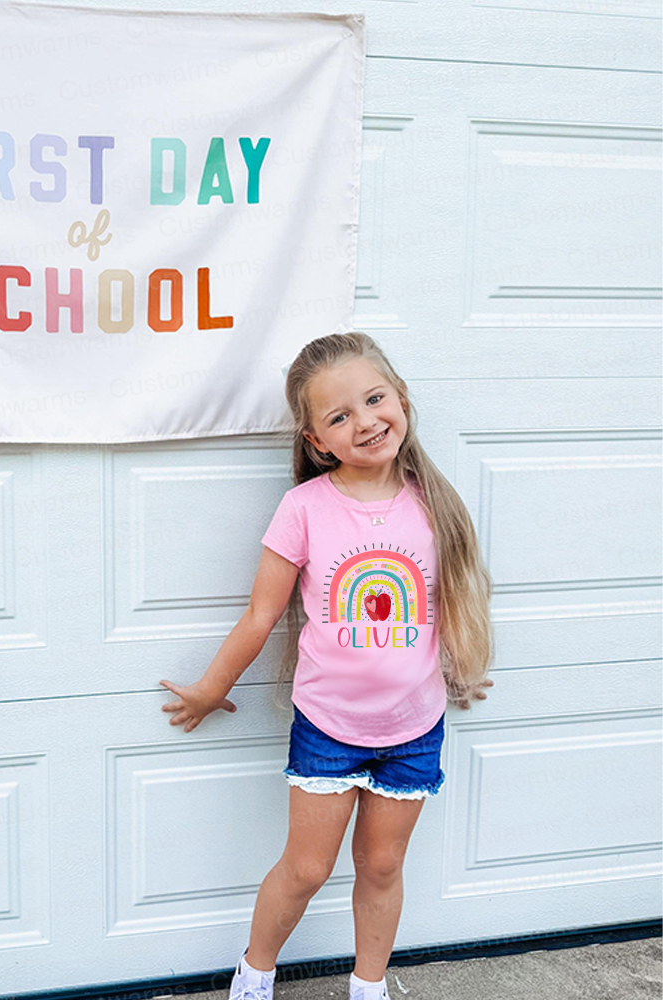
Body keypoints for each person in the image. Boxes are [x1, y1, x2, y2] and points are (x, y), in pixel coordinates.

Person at [158, 332, 495, 1000]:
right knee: (307, 868)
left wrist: (462, 664)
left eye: (375, 399)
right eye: (340, 416)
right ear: (317, 441)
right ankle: (254, 975)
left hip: (413, 728)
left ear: (400, 397)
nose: (366, 420)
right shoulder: (304, 509)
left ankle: (368, 987)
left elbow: (450, 594)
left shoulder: (435, 502)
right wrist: (208, 689)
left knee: (380, 867)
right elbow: (261, 614)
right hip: (329, 727)